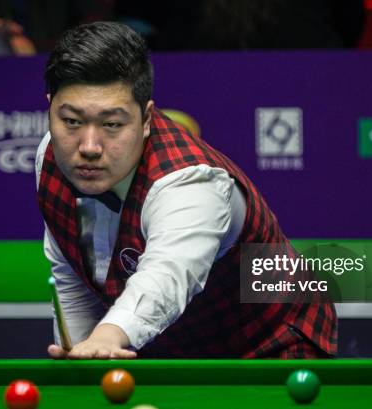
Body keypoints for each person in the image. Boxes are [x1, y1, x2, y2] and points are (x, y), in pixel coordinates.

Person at [36, 21, 337, 359]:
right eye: (72, 121)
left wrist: (109, 334)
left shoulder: (192, 183)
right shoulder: (50, 155)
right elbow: (73, 275)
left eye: (111, 124)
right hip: (165, 350)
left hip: (268, 345)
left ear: (146, 118)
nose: (89, 146)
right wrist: (84, 354)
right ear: (50, 110)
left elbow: (166, 276)